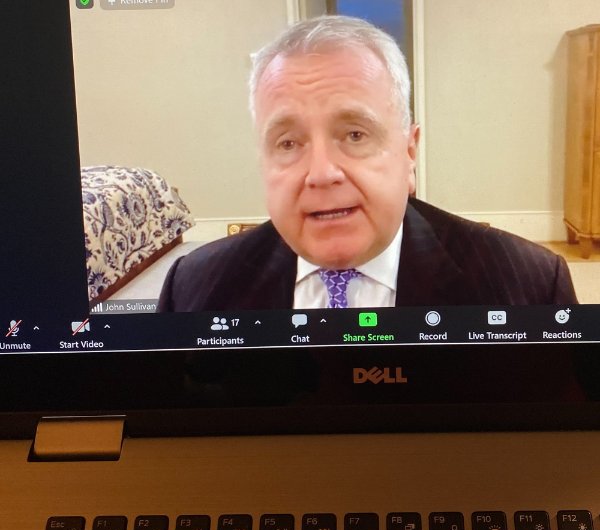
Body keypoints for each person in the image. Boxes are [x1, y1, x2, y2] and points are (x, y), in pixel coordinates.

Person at [158, 15, 577, 312]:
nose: (322, 174)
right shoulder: (192, 290)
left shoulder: (530, 286)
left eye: (355, 135)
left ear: (409, 152)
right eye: (288, 143)